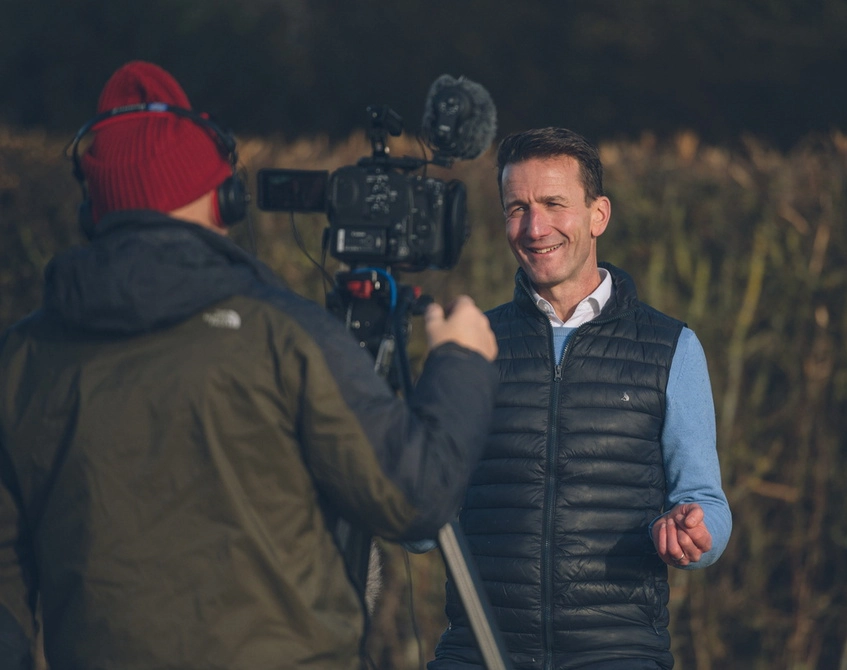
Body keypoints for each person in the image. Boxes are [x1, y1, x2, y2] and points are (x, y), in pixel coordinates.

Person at [0, 61, 498, 670]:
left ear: (94, 208)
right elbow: (417, 495)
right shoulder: (281, 335)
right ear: (222, 197)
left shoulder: (21, 359)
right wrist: (461, 362)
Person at [429, 127, 732, 670]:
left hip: (618, 653)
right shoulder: (472, 344)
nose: (535, 227)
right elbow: (421, 517)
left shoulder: (672, 348)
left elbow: (707, 504)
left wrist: (695, 531)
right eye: (516, 207)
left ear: (598, 215)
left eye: (553, 204)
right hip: (477, 652)